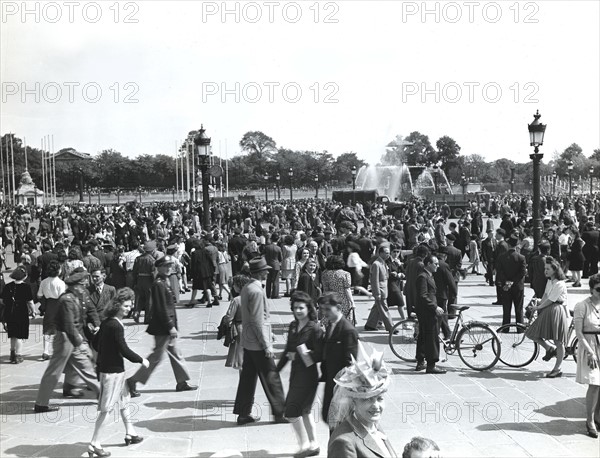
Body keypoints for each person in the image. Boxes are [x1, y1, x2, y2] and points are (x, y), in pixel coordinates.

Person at [88, 288, 149, 458]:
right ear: (117, 305)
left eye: (131, 305)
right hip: (112, 372)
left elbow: (94, 343)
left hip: (111, 370)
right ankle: (94, 443)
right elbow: (123, 349)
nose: (129, 308)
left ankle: (130, 432)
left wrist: (106, 352)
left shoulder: (107, 321)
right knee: (106, 409)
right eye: (126, 305)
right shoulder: (115, 325)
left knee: (124, 400)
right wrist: (141, 360)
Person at [126, 256, 198, 397]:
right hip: (162, 328)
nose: (169, 268)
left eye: (170, 265)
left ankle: (182, 381)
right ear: (158, 268)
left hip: (166, 326)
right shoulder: (158, 284)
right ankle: (133, 380)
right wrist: (170, 326)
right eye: (165, 266)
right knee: (156, 357)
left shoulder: (164, 281)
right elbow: (161, 308)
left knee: (176, 353)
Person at [35, 267, 101, 413]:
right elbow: (68, 325)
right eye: (82, 284)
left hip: (75, 336)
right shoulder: (66, 300)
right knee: (54, 371)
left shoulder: (81, 294)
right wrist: (80, 344)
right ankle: (41, 403)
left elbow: (90, 310)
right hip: (65, 338)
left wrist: (97, 324)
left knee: (86, 365)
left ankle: (103, 395)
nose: (85, 286)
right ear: (75, 285)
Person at [233, 257, 286, 425]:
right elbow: (257, 320)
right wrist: (266, 344)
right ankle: (280, 413)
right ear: (260, 272)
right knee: (272, 378)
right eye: (266, 269)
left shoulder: (248, 287)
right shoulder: (256, 290)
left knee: (248, 378)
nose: (268, 271)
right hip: (257, 343)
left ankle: (243, 413)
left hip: (248, 341)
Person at [327, 342, 398, 457]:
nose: (376, 405)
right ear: (353, 402)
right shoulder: (343, 443)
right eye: (367, 400)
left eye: (379, 399)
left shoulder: (373, 424)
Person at [276, 291, 322, 457]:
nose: (298, 311)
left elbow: (320, 354)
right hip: (296, 374)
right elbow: (288, 350)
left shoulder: (314, 328)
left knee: (291, 410)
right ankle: (313, 444)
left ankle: (304, 445)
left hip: (309, 376)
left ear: (308, 309)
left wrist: (305, 354)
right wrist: (277, 370)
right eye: (295, 308)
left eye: (301, 308)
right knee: (304, 411)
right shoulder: (293, 326)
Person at [319, 292, 359, 428]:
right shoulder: (331, 325)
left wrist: (342, 392)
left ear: (338, 307)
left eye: (328, 309)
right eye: (323, 309)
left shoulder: (348, 330)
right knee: (329, 418)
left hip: (341, 388)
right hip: (331, 382)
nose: (325, 313)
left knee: (338, 422)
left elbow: (351, 363)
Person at [525, 256, 569, 378]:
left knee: (558, 341)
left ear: (555, 270)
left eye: (548, 269)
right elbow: (545, 295)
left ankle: (558, 368)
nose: (545, 271)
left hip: (556, 311)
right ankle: (549, 348)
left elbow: (551, 299)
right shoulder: (549, 281)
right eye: (545, 268)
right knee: (532, 333)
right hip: (548, 310)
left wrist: (539, 307)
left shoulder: (560, 284)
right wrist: (538, 303)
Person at [574, 273, 600, 438]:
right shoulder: (581, 305)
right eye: (598, 289)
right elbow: (578, 333)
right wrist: (590, 352)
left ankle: (598, 416)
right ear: (591, 289)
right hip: (589, 346)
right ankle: (590, 420)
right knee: (595, 383)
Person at [415, 255, 446, 374]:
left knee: (423, 336)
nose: (437, 265)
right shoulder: (423, 277)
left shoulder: (428, 275)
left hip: (426, 310)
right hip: (427, 311)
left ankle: (420, 361)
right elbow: (423, 295)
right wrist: (435, 307)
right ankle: (431, 365)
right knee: (432, 337)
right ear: (428, 263)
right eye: (435, 263)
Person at [1, 266, 35, 364]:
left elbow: (2, 300)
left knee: (12, 335)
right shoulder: (26, 287)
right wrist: (33, 312)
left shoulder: (8, 286)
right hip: (21, 312)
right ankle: (18, 355)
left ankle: (12, 352)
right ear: (24, 276)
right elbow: (30, 302)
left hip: (10, 313)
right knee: (19, 335)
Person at [37, 260, 67, 360]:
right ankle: (57, 350)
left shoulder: (44, 281)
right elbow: (63, 296)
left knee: (47, 328)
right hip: (58, 305)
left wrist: (44, 303)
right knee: (58, 329)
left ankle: (45, 351)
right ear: (58, 271)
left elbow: (39, 295)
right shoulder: (60, 283)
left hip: (48, 305)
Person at [496, 231, 527, 326]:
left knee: (506, 308)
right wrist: (513, 281)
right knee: (519, 308)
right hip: (518, 286)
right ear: (516, 244)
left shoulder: (501, 257)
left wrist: (507, 282)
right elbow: (522, 273)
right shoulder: (521, 257)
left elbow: (500, 272)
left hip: (505, 286)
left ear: (508, 244)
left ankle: (505, 327)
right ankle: (520, 327)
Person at [224, 274, 253, 371]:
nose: (233, 287)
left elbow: (229, 317)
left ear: (239, 286)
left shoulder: (236, 300)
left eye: (235, 285)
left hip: (240, 328)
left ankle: (243, 381)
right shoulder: (252, 297)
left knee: (241, 359)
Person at [364, 244, 394, 333]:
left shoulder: (383, 262)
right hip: (380, 290)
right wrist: (377, 293)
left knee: (377, 308)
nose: (388, 255)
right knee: (384, 308)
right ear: (380, 253)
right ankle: (391, 327)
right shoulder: (376, 264)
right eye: (386, 253)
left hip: (384, 290)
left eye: (389, 253)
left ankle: (370, 324)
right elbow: (374, 280)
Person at [321, 255, 355, 323]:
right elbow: (347, 289)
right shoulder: (345, 274)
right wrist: (352, 302)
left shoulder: (325, 273)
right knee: (343, 320)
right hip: (343, 300)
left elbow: (325, 288)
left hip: (330, 299)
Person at [131, 241, 156, 323]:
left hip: (139, 279)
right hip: (148, 280)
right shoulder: (152, 260)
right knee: (149, 300)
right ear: (152, 251)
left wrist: (135, 282)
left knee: (139, 299)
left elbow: (134, 272)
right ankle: (148, 318)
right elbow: (153, 273)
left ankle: (136, 313)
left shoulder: (138, 259)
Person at [264, 233, 283, 299]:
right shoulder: (278, 248)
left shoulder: (267, 247)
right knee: (275, 280)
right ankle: (275, 294)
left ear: (271, 239)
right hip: (276, 265)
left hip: (268, 264)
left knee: (268, 280)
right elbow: (280, 258)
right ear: (277, 240)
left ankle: (268, 294)